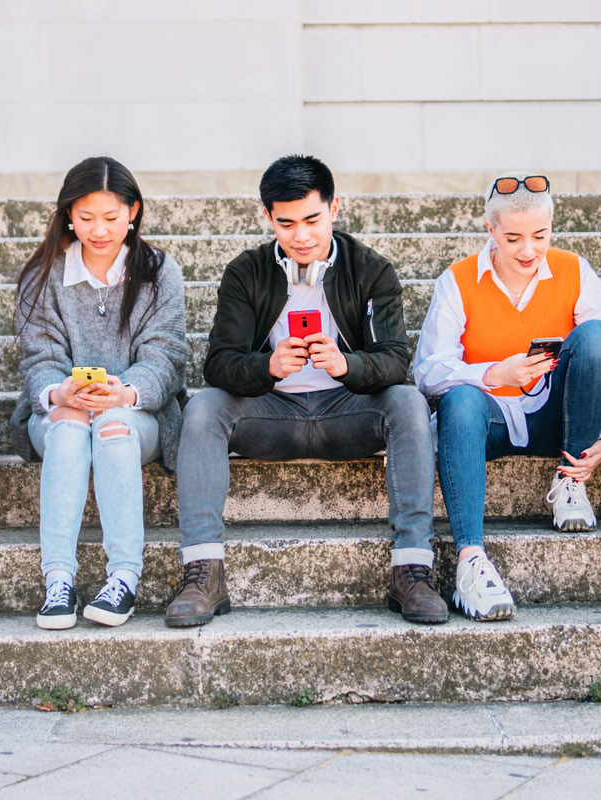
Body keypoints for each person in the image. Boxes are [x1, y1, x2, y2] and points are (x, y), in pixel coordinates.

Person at [167, 154, 446, 627]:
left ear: (335, 208)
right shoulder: (246, 272)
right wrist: (267, 367)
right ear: (267, 218)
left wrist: (347, 364)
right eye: (286, 223)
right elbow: (217, 364)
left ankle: (412, 568)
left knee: (408, 402)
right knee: (204, 407)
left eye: (313, 220)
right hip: (271, 413)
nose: (301, 236)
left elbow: (397, 360)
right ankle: (203, 573)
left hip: (347, 412)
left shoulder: (372, 271)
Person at [414, 172, 601, 620]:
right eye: (513, 237)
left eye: (540, 235)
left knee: (596, 336)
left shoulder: (575, 271)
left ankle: (570, 479)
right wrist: (495, 372)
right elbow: (428, 370)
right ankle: (470, 562)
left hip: (560, 417)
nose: (528, 250)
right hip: (490, 418)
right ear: (490, 229)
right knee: (458, 400)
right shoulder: (456, 280)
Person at [12, 156, 187, 630]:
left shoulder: (158, 272)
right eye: (86, 218)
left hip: (136, 413)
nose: (99, 230)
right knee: (69, 430)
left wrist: (125, 393)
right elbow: (38, 357)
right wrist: (58, 393)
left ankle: (124, 577)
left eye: (111, 217)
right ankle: (58, 581)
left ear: (133, 212)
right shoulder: (43, 273)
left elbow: (167, 357)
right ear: (69, 214)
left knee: (111, 426)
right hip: (62, 410)